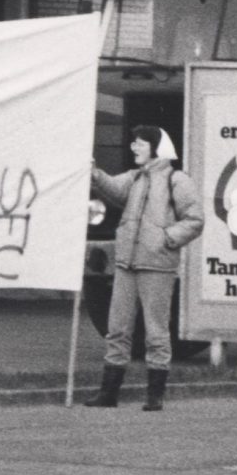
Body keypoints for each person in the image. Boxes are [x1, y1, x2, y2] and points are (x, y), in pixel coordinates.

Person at [90, 125, 203, 410]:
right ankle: (109, 394)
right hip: (127, 263)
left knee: (156, 331)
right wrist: (93, 172)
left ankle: (155, 396)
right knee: (116, 328)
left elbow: (194, 219)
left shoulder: (177, 180)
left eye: (139, 143)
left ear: (156, 148)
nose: (134, 148)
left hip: (157, 265)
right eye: (134, 142)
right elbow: (113, 189)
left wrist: (166, 238)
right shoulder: (135, 177)